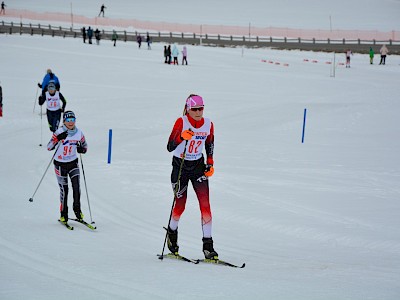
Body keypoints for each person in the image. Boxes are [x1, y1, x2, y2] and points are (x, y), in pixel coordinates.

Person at [166, 94, 218, 260]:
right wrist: (182, 137)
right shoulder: (181, 122)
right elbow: (169, 146)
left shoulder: (208, 124)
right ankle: (172, 235)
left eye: (201, 108)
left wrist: (210, 164)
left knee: (205, 205)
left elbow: (209, 143)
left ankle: (208, 247)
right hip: (180, 166)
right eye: (194, 109)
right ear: (188, 109)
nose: (198, 112)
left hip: (197, 166)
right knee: (180, 206)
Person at [47, 111, 88, 225]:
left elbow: (85, 146)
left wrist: (82, 150)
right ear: (64, 121)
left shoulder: (79, 133)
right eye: (68, 120)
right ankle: (63, 214)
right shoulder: (59, 131)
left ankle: (78, 211)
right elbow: (49, 147)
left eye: (72, 120)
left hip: (73, 163)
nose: (70, 123)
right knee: (64, 190)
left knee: (76, 187)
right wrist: (57, 139)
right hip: (60, 164)